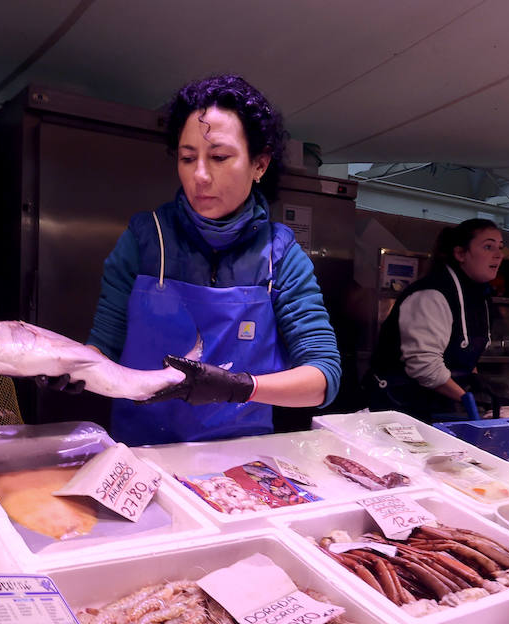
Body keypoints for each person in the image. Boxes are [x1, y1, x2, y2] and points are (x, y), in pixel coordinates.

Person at [76, 74, 340, 446]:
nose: (200, 175)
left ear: (259, 164)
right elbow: (103, 346)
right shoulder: (145, 239)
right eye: (187, 158)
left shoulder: (280, 255)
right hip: (142, 453)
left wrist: (239, 387)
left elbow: (323, 378)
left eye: (219, 157)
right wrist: (72, 366)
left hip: (239, 459)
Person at [365, 219, 504, 420]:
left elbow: (466, 356)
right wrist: (468, 402)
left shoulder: (478, 296)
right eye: (488, 247)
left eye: (500, 247)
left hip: (436, 405)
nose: (499, 255)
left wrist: (476, 386)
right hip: (397, 406)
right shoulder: (432, 294)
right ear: (460, 254)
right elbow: (425, 366)